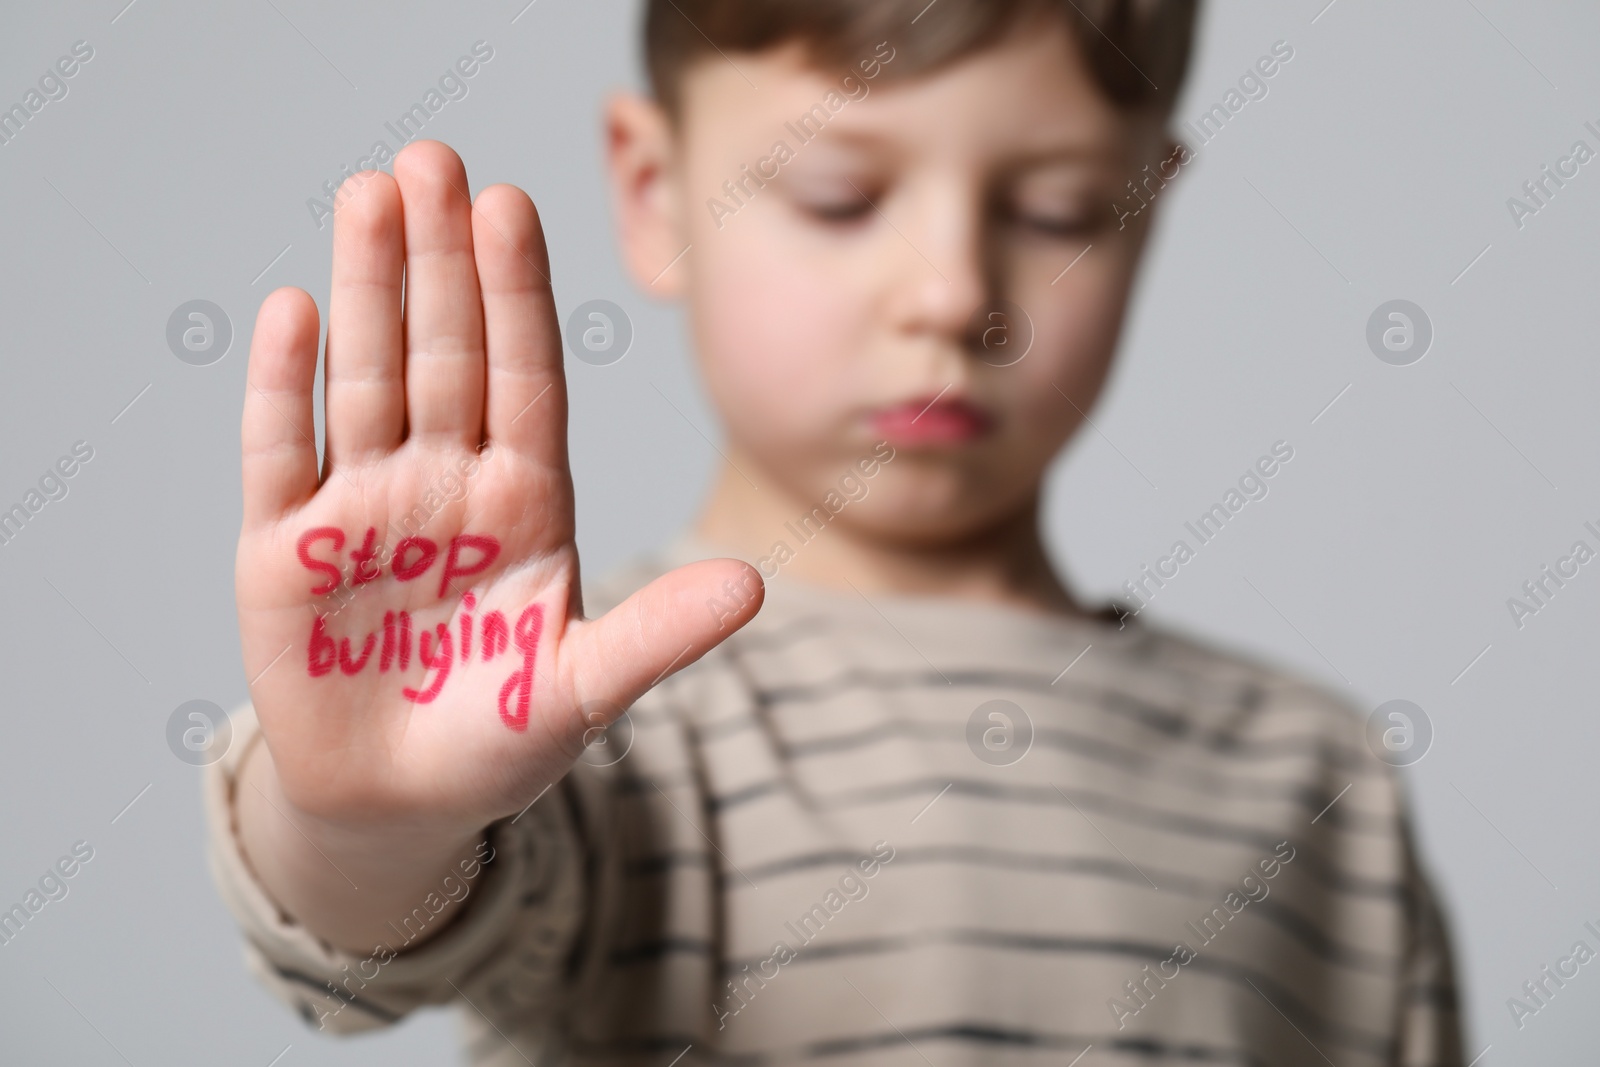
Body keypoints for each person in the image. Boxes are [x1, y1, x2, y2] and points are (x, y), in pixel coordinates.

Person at [203, 1, 1465, 1063]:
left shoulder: (1318, 779)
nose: (952, 292)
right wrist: (365, 819)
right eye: (839, 194)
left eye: (1062, 207)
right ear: (653, 191)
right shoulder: (594, 729)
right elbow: (370, 938)